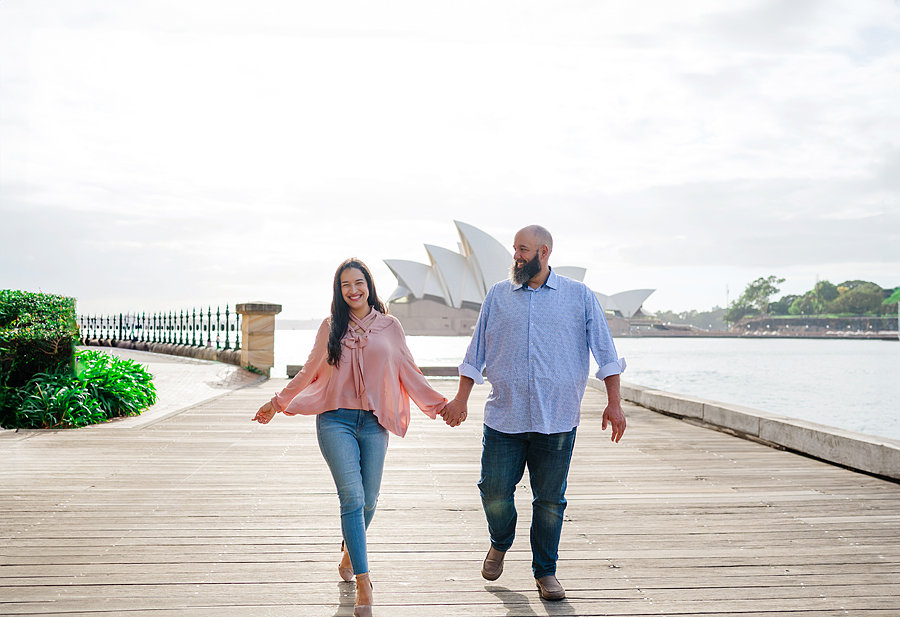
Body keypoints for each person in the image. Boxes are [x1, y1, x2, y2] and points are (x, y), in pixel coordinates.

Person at [252, 258, 448, 617]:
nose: (353, 290)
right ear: (338, 290)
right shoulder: (331, 326)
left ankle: (347, 551)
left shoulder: (390, 326)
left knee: (369, 500)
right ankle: (364, 582)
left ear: (369, 286)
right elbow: (308, 372)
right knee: (352, 497)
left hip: (374, 424)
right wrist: (276, 403)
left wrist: (441, 406)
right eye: (346, 285)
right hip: (335, 422)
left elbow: (409, 371)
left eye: (359, 283)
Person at [441, 225, 627, 601]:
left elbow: (605, 353)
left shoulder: (579, 296)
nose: (516, 256)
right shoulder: (497, 295)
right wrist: (460, 398)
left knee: (549, 500)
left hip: (556, 419)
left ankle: (546, 573)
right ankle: (500, 540)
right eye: (514, 249)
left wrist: (615, 401)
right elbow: (475, 352)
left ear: (544, 251)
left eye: (523, 249)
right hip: (503, 416)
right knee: (492, 490)